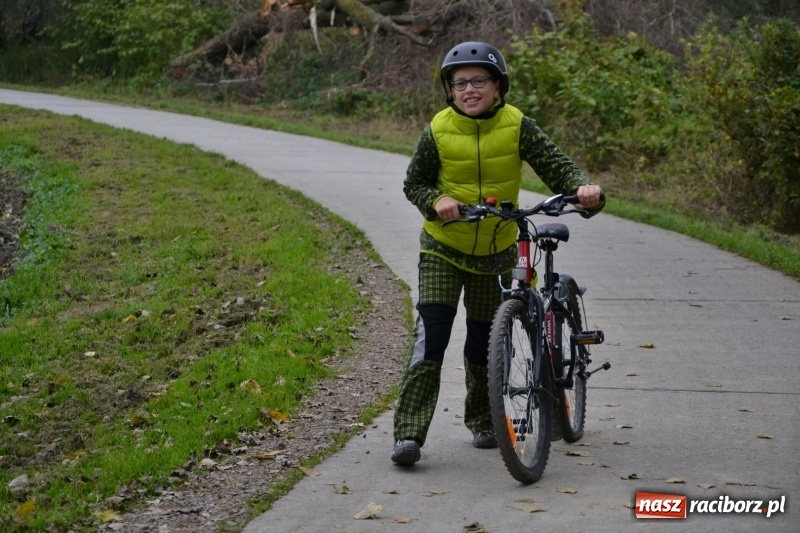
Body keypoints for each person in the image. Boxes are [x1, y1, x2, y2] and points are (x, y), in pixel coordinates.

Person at [391, 41, 605, 466]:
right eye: (459, 83)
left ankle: (484, 423)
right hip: (443, 248)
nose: (469, 90)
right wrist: (436, 201)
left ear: (498, 86)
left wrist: (583, 188)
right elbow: (414, 183)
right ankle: (408, 435)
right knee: (431, 341)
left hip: (496, 251)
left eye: (479, 81)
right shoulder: (436, 129)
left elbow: (558, 167)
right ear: (449, 91)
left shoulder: (518, 125)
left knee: (482, 345)